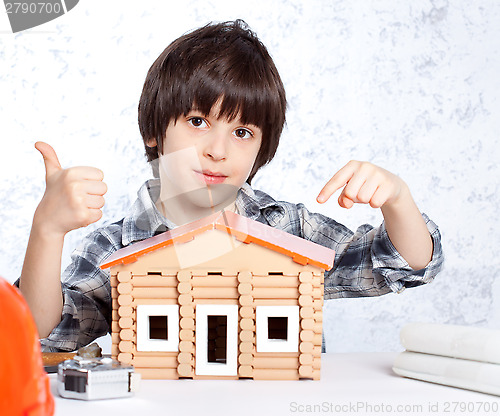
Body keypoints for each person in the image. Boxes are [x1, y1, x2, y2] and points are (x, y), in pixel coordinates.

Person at [17, 20, 443, 352]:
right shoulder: (116, 247)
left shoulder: (286, 230)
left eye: (242, 133)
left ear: (261, 148)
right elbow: (41, 337)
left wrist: (398, 200)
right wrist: (47, 230)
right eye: (198, 122)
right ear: (154, 130)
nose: (218, 151)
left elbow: (407, 265)